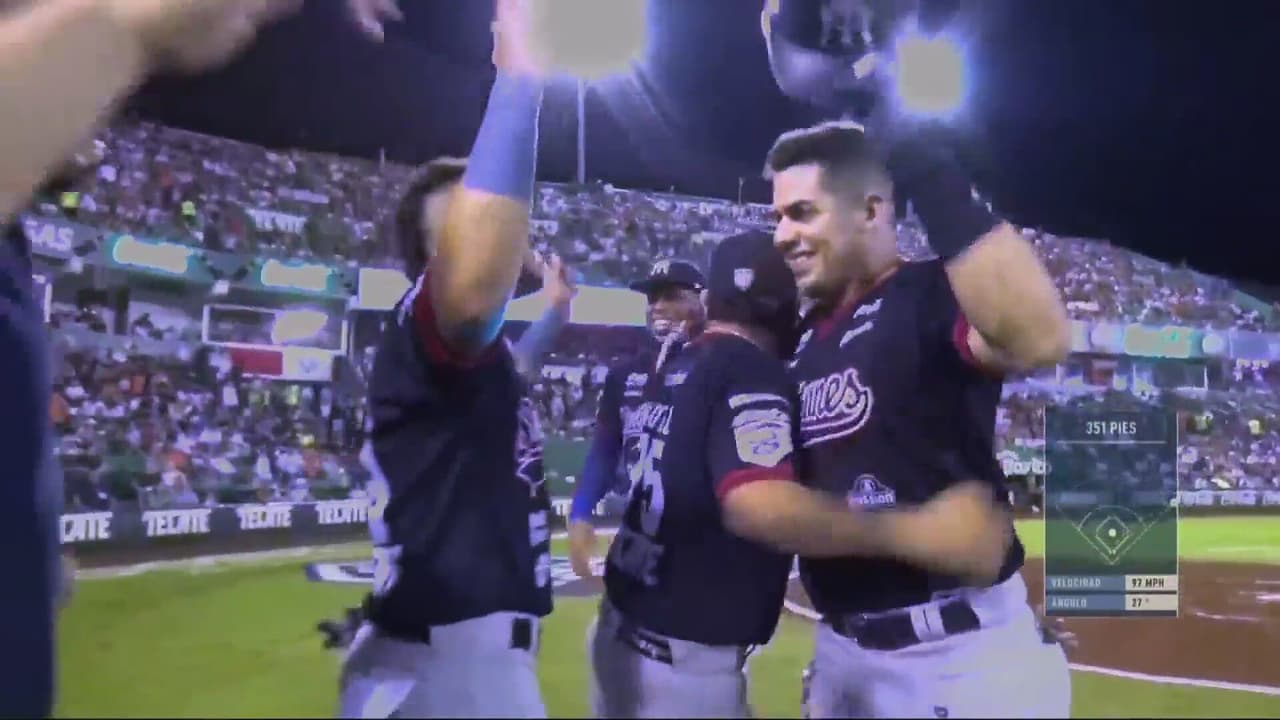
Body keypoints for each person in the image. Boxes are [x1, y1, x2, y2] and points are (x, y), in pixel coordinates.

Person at [588, 230, 1014, 719]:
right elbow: (758, 503)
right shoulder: (750, 370)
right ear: (782, 308)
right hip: (679, 667)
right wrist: (921, 532)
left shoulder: (675, 363)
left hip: (625, 629)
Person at [764, 120, 1073, 718]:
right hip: (842, 653)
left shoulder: (931, 291)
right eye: (778, 217)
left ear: (870, 210)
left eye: (802, 213)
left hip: (954, 657)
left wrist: (921, 159)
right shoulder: (801, 339)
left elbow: (1039, 339)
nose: (783, 235)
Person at [334, 1, 565, 716]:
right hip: (452, 665)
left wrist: (555, 311)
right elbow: (469, 298)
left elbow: (513, 376)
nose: (498, 227)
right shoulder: (432, 322)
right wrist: (520, 76)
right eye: (469, 217)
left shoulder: (466, 364)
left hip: (451, 656)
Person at [566, 258, 707, 579]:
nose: (657, 306)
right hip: (640, 536)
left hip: (703, 541)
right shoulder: (623, 376)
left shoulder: (719, 366)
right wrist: (580, 513)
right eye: (652, 298)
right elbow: (604, 451)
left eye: (671, 296)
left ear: (702, 301)